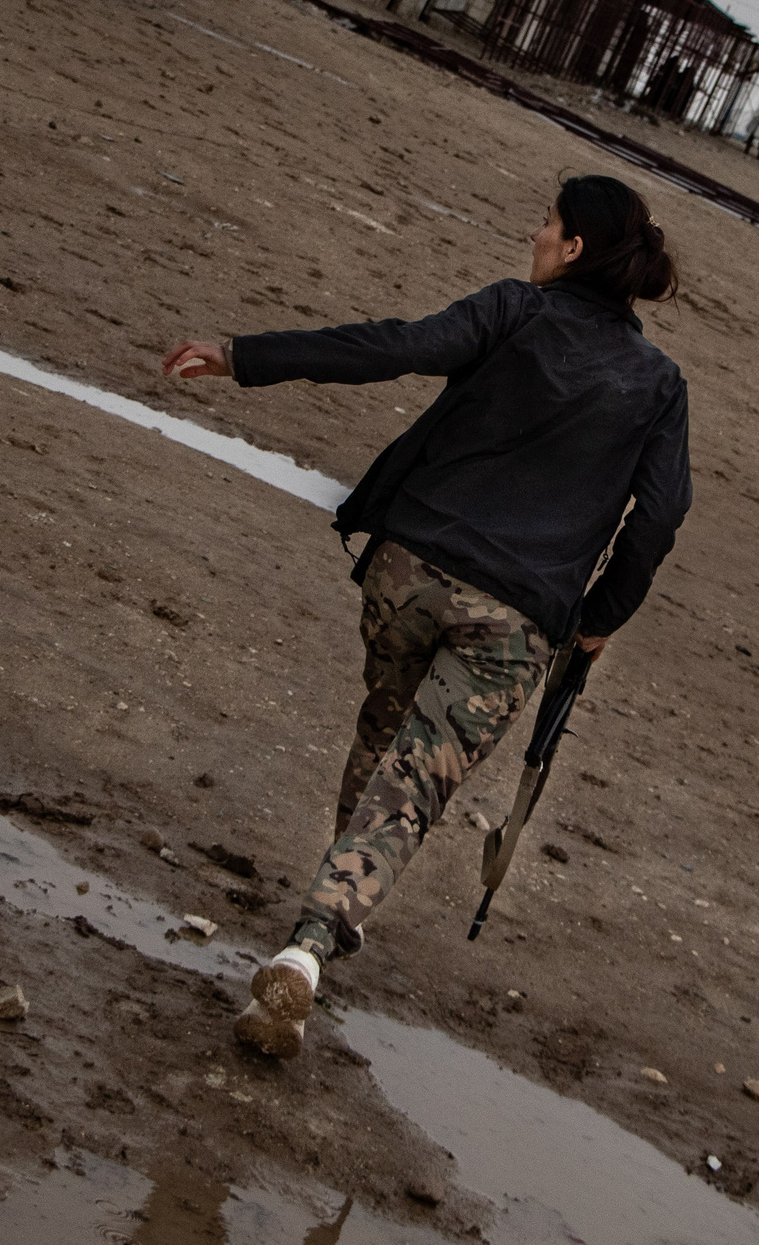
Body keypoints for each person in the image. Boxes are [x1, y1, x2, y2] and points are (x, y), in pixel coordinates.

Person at [159, 174, 694, 1058]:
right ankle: (312, 943)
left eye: (547, 222)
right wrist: (601, 615)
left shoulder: (515, 309)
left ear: (574, 251)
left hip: (408, 575)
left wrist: (240, 353)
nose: (534, 230)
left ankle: (335, 911)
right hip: (515, 620)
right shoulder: (659, 385)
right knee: (413, 784)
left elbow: (394, 346)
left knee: (386, 731)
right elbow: (662, 513)